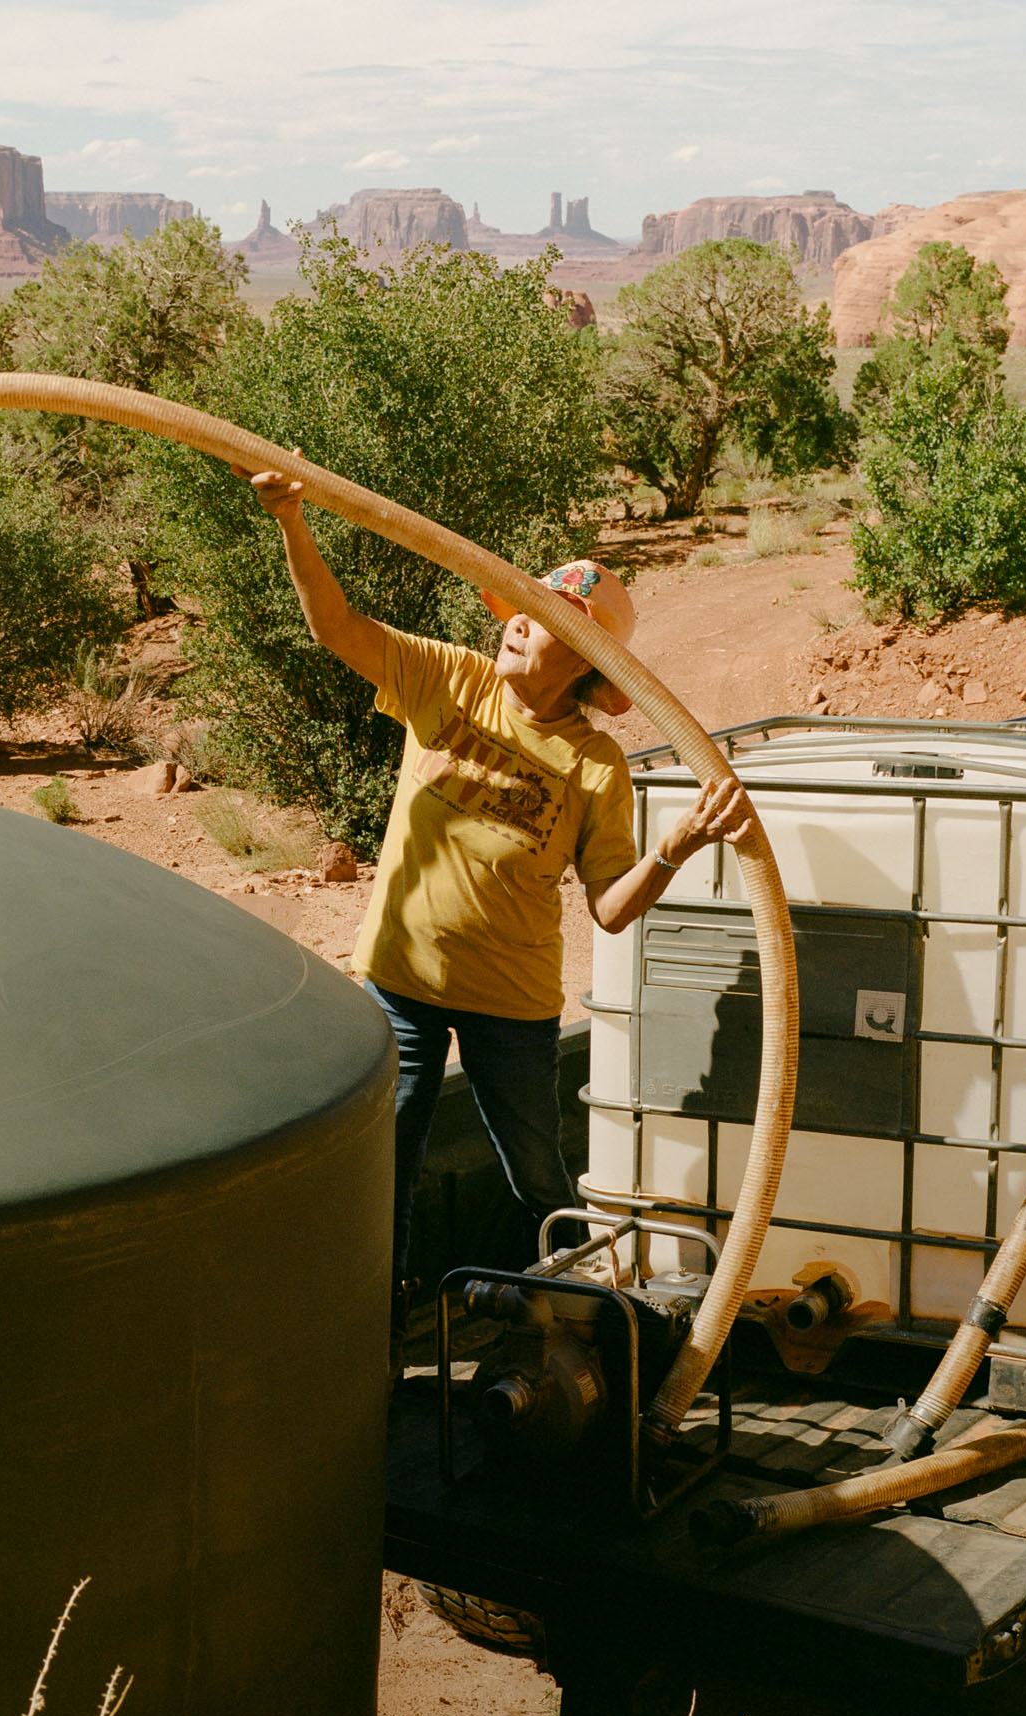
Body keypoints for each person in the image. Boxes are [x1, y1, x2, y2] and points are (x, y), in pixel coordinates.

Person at [237, 466, 751, 1293]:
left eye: (544, 623)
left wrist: (676, 845)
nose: (515, 628)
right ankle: (380, 1339)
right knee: (381, 1178)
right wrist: (292, 521)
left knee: (536, 1184)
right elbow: (333, 625)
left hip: (510, 1010)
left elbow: (612, 911)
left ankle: (553, 1328)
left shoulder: (594, 763)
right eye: (521, 611)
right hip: (397, 990)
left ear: (580, 663)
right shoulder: (446, 678)